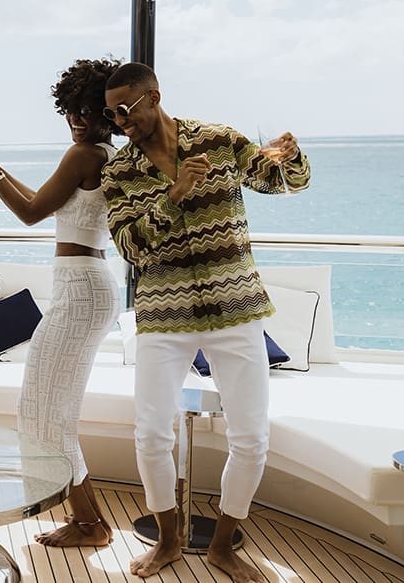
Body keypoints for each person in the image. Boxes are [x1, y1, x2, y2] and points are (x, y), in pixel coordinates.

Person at [100, 62, 308, 582]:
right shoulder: (118, 174)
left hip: (236, 309)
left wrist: (292, 154)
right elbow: (129, 247)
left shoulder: (218, 141)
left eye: (127, 109)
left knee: (252, 437)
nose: (121, 121)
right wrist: (173, 198)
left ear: (154, 97)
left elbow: (284, 183)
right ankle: (168, 540)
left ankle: (222, 546)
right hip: (163, 314)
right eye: (113, 114)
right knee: (150, 433)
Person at [0, 57, 123, 547]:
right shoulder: (100, 155)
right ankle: (89, 521)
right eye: (71, 111)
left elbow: (28, 213)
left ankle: (90, 524)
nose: (77, 121)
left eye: (88, 111)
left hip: (82, 290)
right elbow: (46, 203)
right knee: (47, 411)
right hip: (85, 285)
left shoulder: (86, 156)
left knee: (42, 411)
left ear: (108, 113)